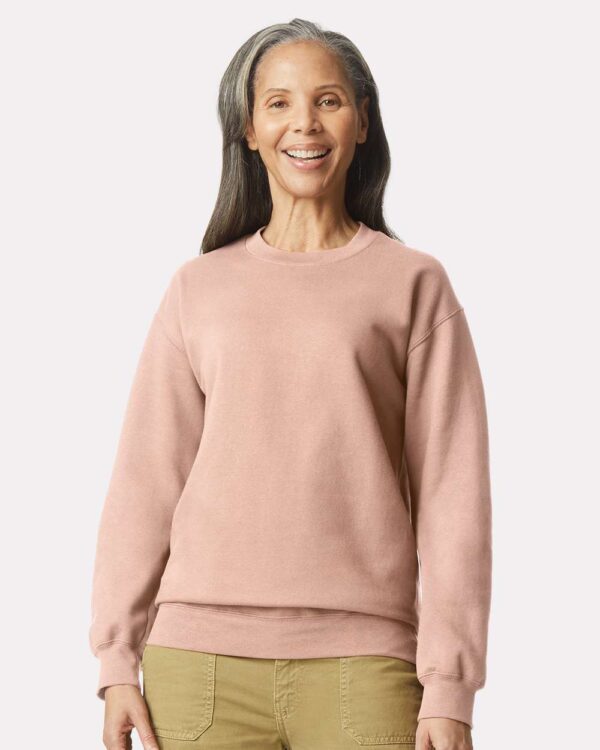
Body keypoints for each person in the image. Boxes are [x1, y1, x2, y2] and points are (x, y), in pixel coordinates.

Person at [90, 17, 492, 750]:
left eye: (328, 100)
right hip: (198, 665)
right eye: (278, 103)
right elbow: (145, 483)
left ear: (362, 121)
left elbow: (453, 496)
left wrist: (450, 687)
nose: (304, 123)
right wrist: (116, 659)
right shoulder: (198, 288)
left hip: (365, 665)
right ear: (248, 130)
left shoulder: (414, 284)